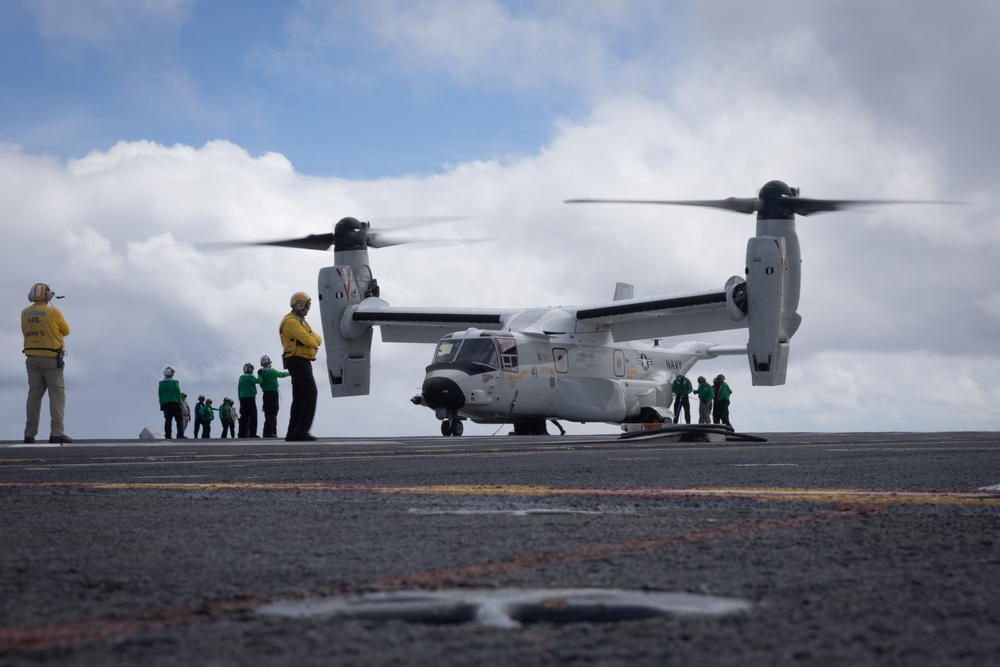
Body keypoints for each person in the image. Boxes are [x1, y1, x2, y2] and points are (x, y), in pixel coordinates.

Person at [21, 283, 72, 444]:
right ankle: (56, 432)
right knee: (57, 397)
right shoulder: (53, 312)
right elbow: (66, 331)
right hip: (51, 359)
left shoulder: (25, 313)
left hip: (32, 359)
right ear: (47, 295)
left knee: (34, 396)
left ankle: (29, 434)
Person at [279, 292, 322, 441]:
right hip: (297, 360)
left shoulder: (301, 321)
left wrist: (313, 338)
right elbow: (310, 341)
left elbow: (317, 338)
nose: (308, 309)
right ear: (299, 305)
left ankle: (293, 432)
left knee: (299, 396)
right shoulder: (291, 322)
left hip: (302, 360)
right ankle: (302, 430)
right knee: (311, 392)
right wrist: (312, 338)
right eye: (307, 306)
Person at [258, 354, 290, 438]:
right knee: (273, 413)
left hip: (265, 394)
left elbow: (260, 382)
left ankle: (269, 432)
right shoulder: (272, 372)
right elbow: (282, 374)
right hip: (273, 394)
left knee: (267, 413)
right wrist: (291, 372)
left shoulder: (261, 373)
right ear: (269, 363)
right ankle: (269, 432)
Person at [158, 367, 186, 439]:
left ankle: (168, 435)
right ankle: (180, 434)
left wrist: (161, 404)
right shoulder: (174, 382)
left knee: (168, 420)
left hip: (165, 403)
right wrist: (180, 403)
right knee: (179, 419)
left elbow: (160, 395)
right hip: (174, 402)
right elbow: (178, 393)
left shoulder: (161, 383)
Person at [237, 362, 261, 438]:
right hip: (250, 399)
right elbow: (259, 381)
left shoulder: (241, 378)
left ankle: (241, 433)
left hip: (242, 399)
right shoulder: (250, 377)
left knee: (244, 417)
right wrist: (260, 374)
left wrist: (240, 399)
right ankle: (252, 433)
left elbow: (239, 389)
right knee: (253, 416)